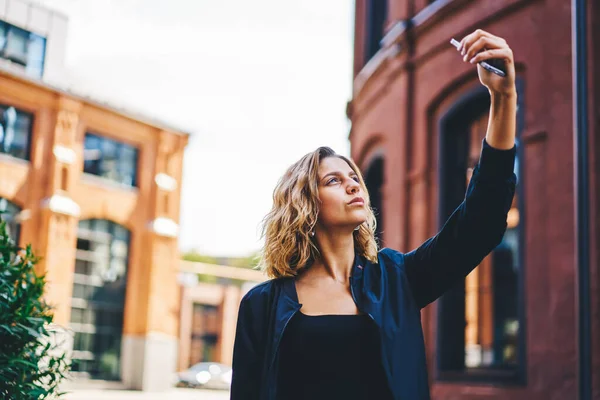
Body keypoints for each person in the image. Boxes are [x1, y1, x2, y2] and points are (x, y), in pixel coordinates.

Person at [230, 29, 518, 400]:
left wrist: (503, 97)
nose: (353, 185)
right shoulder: (262, 306)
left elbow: (481, 223)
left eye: (354, 177)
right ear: (304, 204)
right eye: (333, 180)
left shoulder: (397, 280)